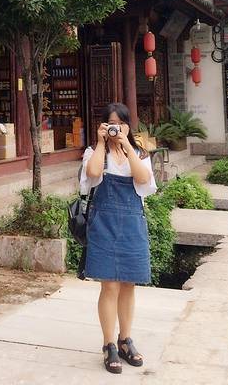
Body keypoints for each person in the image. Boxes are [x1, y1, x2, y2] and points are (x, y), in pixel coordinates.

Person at [80, 102, 157, 375]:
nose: (115, 129)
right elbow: (93, 174)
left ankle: (126, 340)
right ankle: (109, 344)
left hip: (132, 225)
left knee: (128, 284)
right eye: (110, 124)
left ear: (127, 126)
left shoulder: (139, 153)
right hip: (104, 224)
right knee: (109, 286)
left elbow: (144, 179)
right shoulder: (94, 152)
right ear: (103, 126)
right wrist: (102, 143)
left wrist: (126, 146)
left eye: (120, 124)